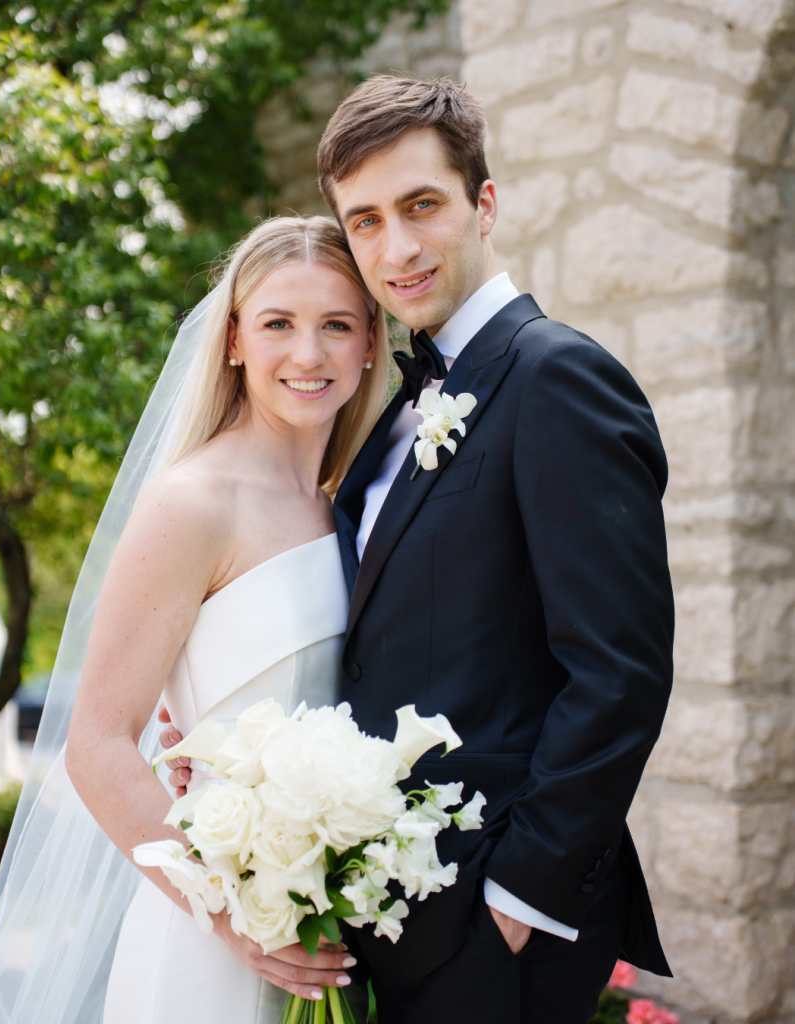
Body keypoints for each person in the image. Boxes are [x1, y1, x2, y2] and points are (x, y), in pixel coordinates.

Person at [160, 76, 676, 1024]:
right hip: (388, 918)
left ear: (483, 203)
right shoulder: (397, 411)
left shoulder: (559, 379)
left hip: (490, 922)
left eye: (421, 206)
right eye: (363, 222)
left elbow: (619, 674)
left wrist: (515, 906)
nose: (394, 249)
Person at [0, 216, 387, 1024]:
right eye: (278, 324)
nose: (308, 354)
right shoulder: (193, 503)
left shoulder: (352, 502)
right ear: (234, 339)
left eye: (335, 324)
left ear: (371, 341)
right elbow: (96, 742)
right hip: (210, 934)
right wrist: (236, 917)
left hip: (329, 919)